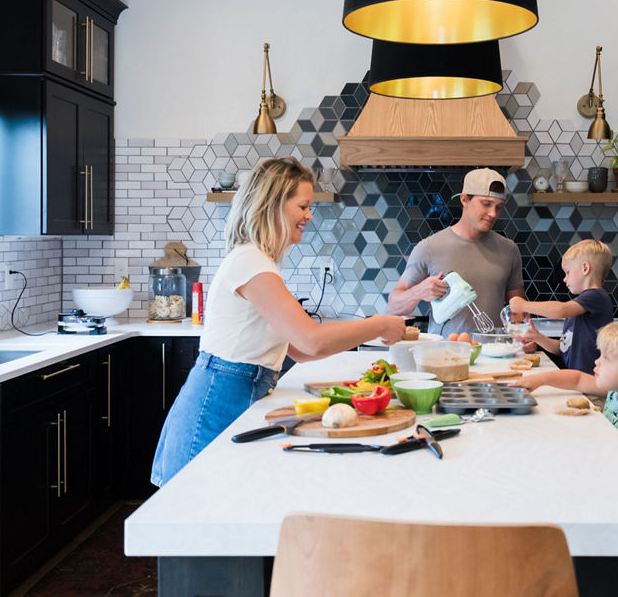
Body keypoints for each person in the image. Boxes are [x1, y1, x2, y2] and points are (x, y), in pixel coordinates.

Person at [151, 157, 405, 486]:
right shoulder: (251, 262)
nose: (309, 215)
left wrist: (363, 366)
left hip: (237, 391)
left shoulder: (259, 261)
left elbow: (299, 351)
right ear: (273, 204)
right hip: (217, 401)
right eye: (303, 206)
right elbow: (311, 339)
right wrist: (380, 324)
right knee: (195, 518)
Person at [511, 322, 618, 492]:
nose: (597, 361)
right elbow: (577, 379)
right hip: (610, 476)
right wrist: (539, 380)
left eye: (606, 359)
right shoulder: (617, 392)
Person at [388, 167, 525, 336]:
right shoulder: (429, 248)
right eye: (486, 204)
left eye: (499, 207)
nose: (493, 213)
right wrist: (419, 291)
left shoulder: (509, 250)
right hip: (443, 356)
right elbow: (393, 307)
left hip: (493, 355)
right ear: (464, 199)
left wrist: (524, 338)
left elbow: (518, 309)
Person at [508, 238, 614, 374]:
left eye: (568, 272)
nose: (564, 279)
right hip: (578, 382)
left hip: (593, 381)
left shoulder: (596, 296)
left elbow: (561, 310)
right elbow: (562, 349)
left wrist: (524, 305)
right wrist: (537, 337)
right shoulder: (580, 306)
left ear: (585, 268)